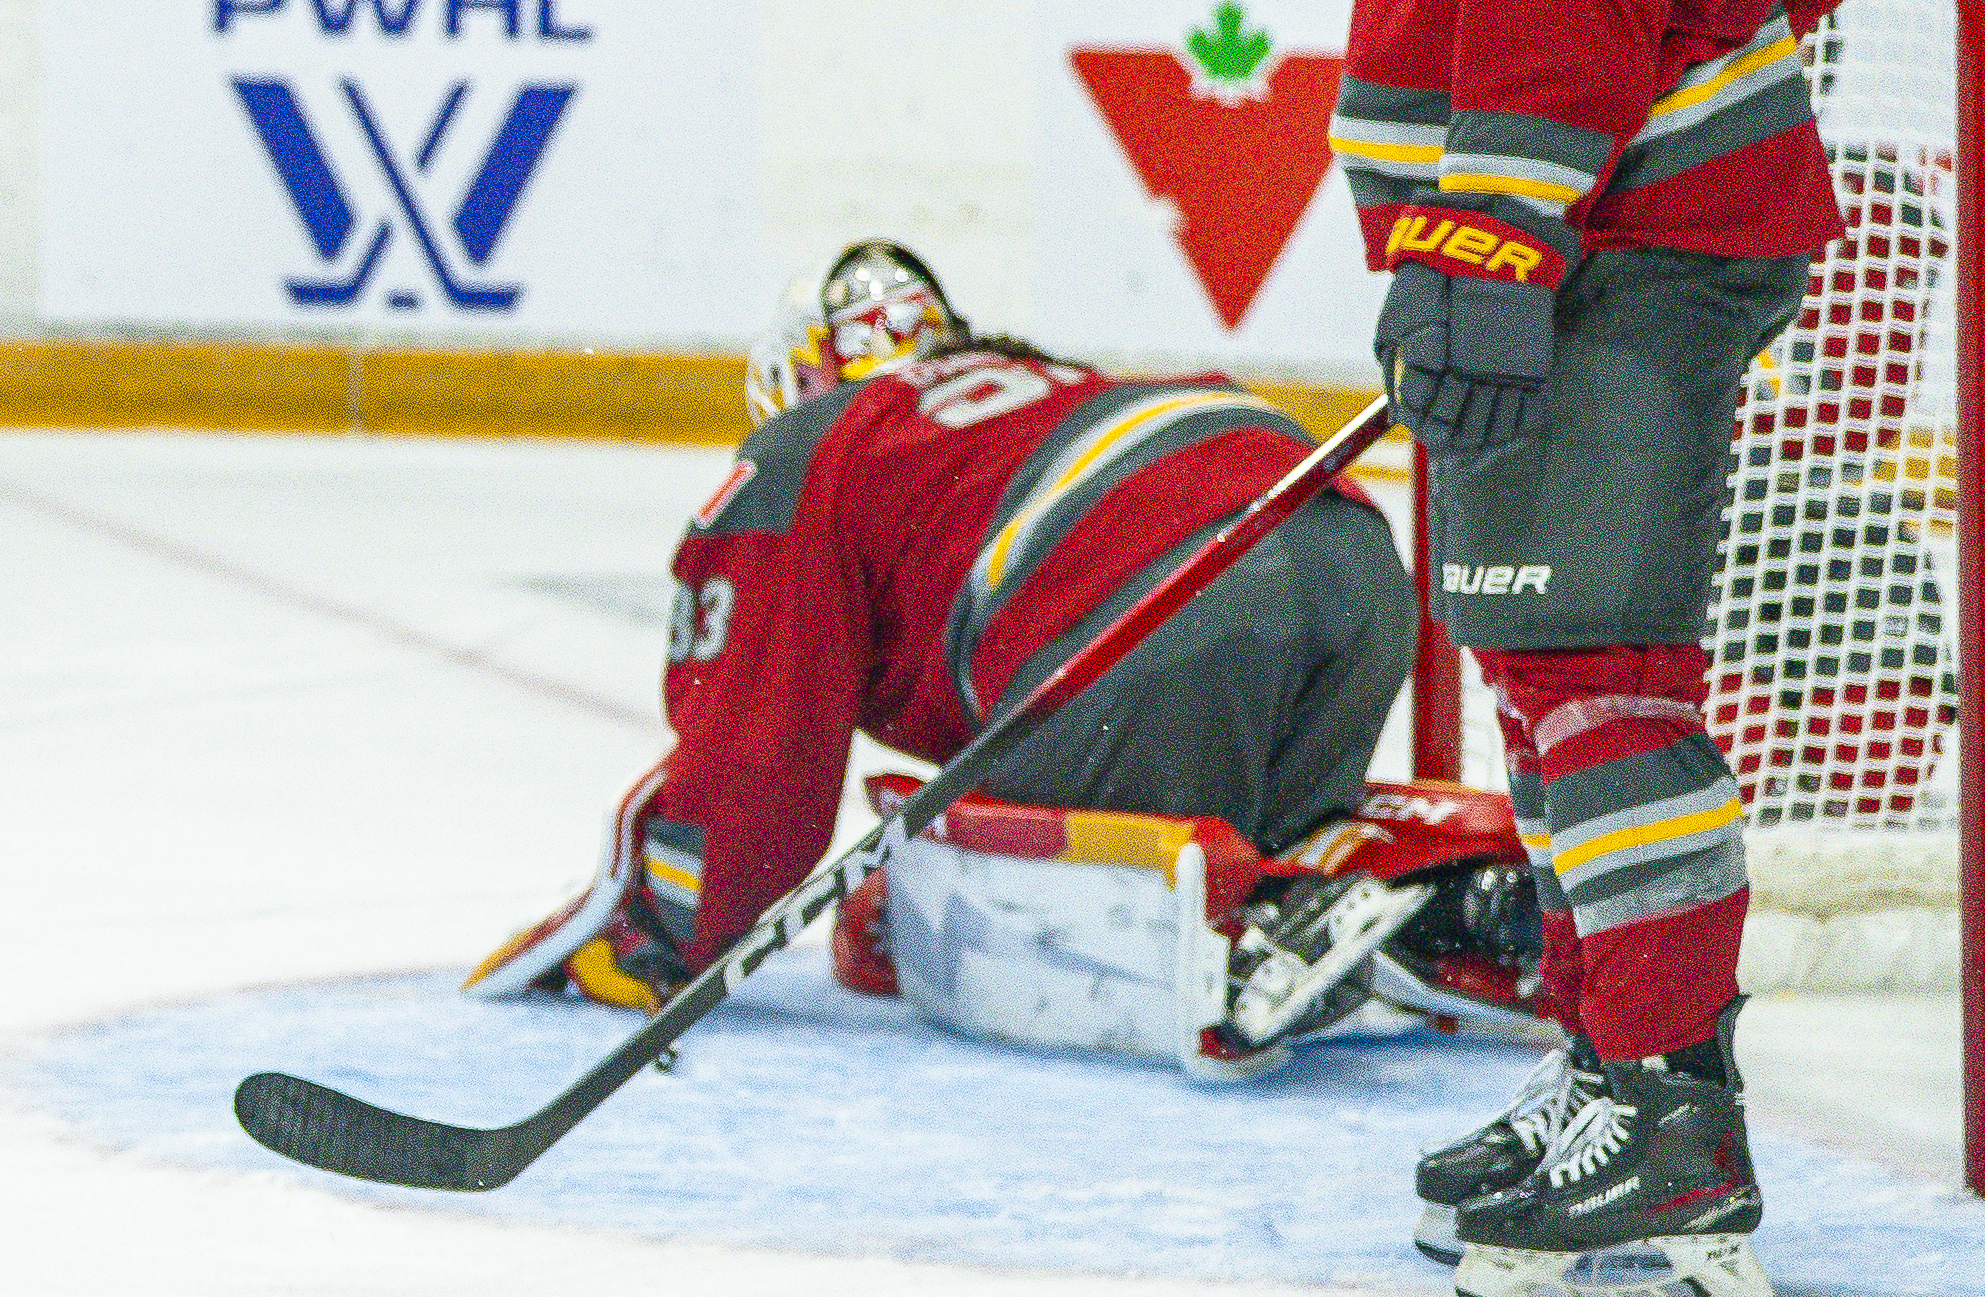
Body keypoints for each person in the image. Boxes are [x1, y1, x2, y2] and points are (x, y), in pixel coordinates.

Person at [1345, 0, 1860, 1297]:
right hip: (1632, 247)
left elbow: (1563, 1)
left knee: (1601, 684)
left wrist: (1488, 240)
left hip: (1602, 264)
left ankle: (1661, 1131)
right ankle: (1615, 1073)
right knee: (1576, 678)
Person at [469, 238, 1482, 1050]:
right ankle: (1428, 890)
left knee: (911, 924)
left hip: (1153, 614)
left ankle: (1260, 931)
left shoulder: (810, 444)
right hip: (1347, 556)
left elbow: (756, 751)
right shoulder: (1042, 385)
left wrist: (663, 922)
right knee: (1264, 818)